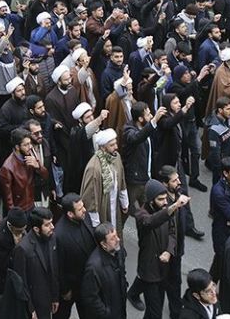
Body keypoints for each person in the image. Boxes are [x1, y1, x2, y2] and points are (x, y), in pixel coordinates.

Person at [128, 178, 187, 319]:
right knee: (155, 312)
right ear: (150, 200)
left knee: (155, 309)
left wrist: (168, 251)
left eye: (166, 198)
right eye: (161, 199)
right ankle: (132, 294)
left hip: (163, 267)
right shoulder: (141, 215)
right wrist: (172, 208)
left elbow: (173, 232)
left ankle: (132, 293)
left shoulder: (165, 209)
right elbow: (150, 222)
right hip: (149, 269)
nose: (165, 202)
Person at [11, 206, 59, 319]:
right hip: (34, 303)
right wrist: (30, 308)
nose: (52, 227)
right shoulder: (23, 249)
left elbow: (54, 270)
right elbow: (21, 282)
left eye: (51, 223)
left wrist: (55, 297)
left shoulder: (52, 238)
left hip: (48, 299)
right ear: (36, 229)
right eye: (47, 225)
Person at [53, 193, 94, 319]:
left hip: (86, 282)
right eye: (80, 209)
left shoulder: (84, 217)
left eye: (83, 206)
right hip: (71, 286)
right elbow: (58, 266)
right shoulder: (59, 235)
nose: (85, 210)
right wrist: (65, 290)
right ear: (70, 214)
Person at [81, 128, 128, 233]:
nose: (116, 147)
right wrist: (95, 223)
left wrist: (124, 202)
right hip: (103, 207)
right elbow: (90, 198)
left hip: (114, 205)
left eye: (115, 144)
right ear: (103, 147)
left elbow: (121, 179)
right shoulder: (94, 167)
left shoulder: (116, 157)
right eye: (112, 145)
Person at [79, 223, 128, 319]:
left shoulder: (119, 251)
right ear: (103, 244)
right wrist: (105, 313)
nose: (118, 239)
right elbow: (90, 297)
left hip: (119, 306)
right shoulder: (94, 267)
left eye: (116, 235)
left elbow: (122, 272)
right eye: (112, 238)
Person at [0, 128, 47, 211]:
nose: (30, 147)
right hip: (20, 210)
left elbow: (46, 177)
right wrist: (15, 216)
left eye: (30, 143)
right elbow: (8, 199)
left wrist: (38, 166)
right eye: (26, 145)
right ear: (17, 147)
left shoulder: (30, 156)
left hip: (31, 205)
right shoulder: (7, 167)